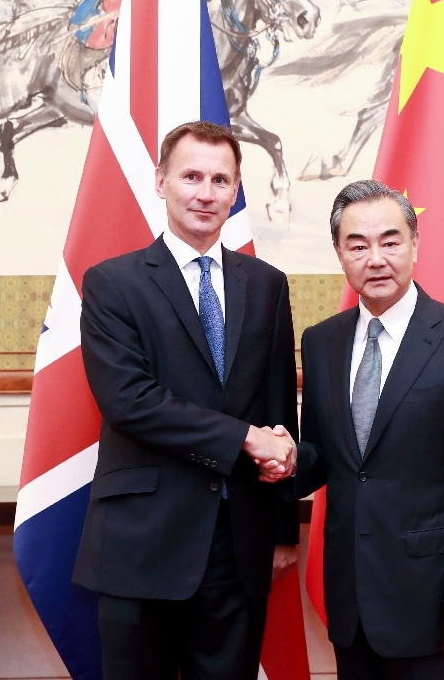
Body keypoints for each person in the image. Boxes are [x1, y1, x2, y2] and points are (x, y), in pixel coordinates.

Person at [72, 120, 299, 680]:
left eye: (220, 180)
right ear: (161, 182)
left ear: (235, 190)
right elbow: (129, 401)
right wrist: (243, 438)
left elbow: (277, 408)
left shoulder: (266, 285)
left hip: (237, 545)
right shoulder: (112, 283)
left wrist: (282, 528)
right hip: (142, 543)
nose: (206, 193)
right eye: (191, 176)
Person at [280, 179, 444, 680]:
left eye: (390, 242)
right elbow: (323, 454)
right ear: (339, 254)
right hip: (350, 599)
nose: (376, 259)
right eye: (358, 246)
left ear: (415, 245)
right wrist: (279, 458)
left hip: (431, 599)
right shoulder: (322, 343)